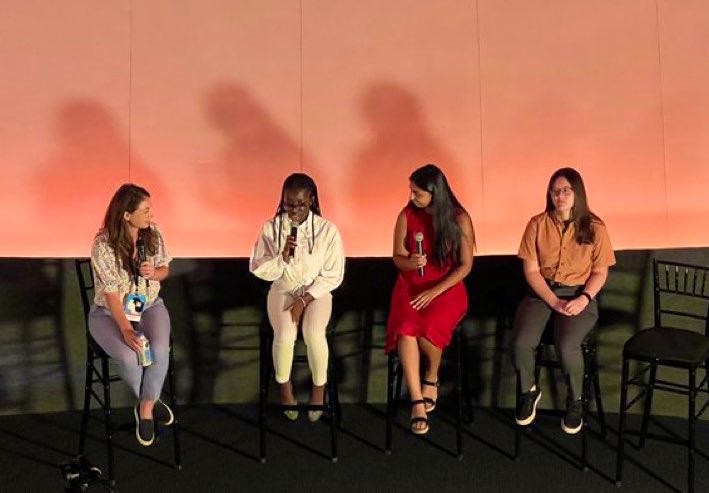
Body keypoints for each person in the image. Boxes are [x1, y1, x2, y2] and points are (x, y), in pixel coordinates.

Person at [510, 167, 615, 434]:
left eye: (566, 190)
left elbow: (600, 272)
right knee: (522, 342)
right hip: (542, 293)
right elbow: (531, 271)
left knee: (567, 343)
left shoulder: (595, 227)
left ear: (577, 193)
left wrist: (583, 298)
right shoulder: (536, 224)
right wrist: (552, 300)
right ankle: (528, 391)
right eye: (555, 191)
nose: (560, 196)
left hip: (579, 294)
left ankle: (575, 401)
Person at [385, 164, 475, 435]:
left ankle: (431, 376)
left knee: (428, 327)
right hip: (410, 285)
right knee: (406, 328)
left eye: (417, 193)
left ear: (435, 194)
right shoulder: (406, 215)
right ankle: (417, 402)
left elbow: (465, 266)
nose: (411, 197)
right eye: (411, 191)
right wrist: (410, 263)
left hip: (446, 289)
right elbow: (397, 257)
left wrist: (435, 292)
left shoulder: (459, 219)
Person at [250, 173, 345, 422]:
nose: (294, 210)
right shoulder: (271, 228)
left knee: (314, 333)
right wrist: (282, 258)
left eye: (300, 204)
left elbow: (334, 275)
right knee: (285, 335)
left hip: (316, 290)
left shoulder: (327, 230)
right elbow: (258, 268)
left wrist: (305, 299)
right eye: (289, 203)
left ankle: (318, 391)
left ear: (311, 200)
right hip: (283, 287)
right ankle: (285, 389)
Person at [89, 184, 174, 447]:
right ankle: (152, 398)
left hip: (149, 305)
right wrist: (126, 330)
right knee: (130, 355)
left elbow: (164, 270)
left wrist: (154, 273)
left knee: (159, 348)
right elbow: (112, 295)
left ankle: (145, 408)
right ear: (127, 214)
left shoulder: (153, 234)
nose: (151, 214)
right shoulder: (103, 244)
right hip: (108, 314)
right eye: (145, 210)